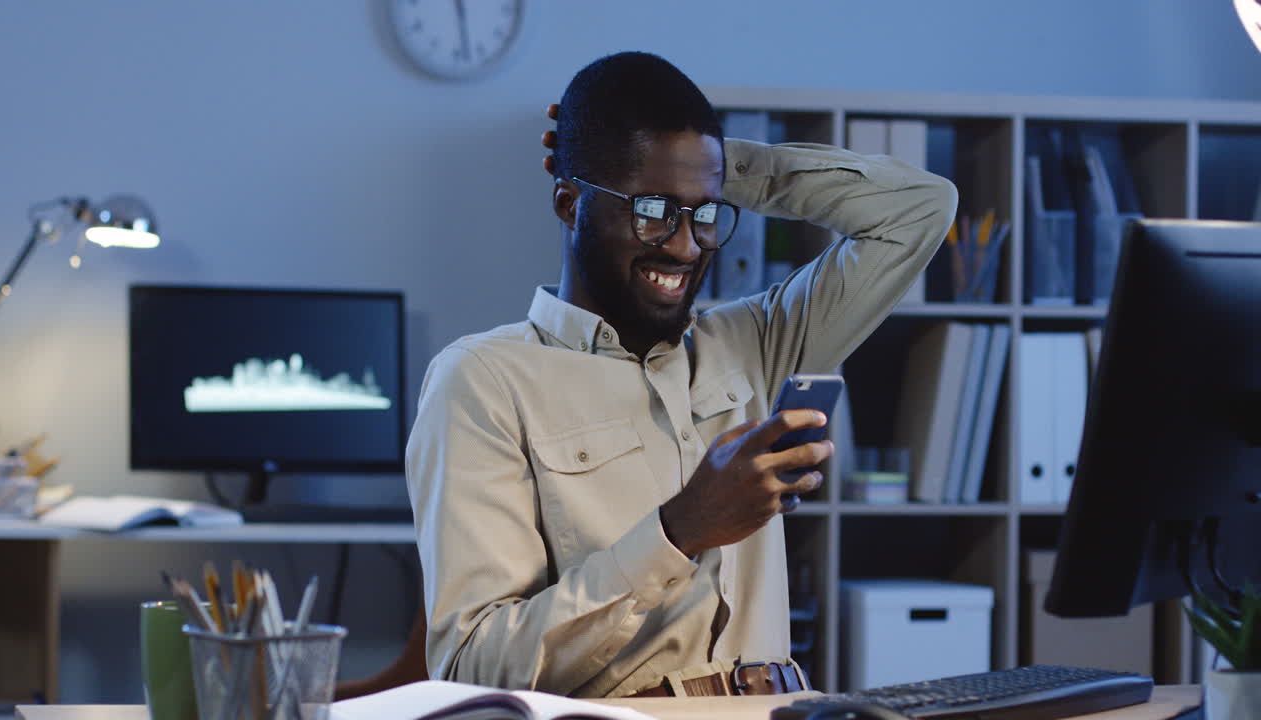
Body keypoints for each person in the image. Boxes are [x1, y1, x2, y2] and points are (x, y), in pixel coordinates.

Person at [407, 51, 957, 698]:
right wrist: (676, 533)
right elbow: (472, 668)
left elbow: (920, 208)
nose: (685, 244)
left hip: (787, 708)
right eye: (652, 210)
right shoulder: (484, 381)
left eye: (703, 213)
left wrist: (724, 167)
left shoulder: (753, 343)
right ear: (568, 202)